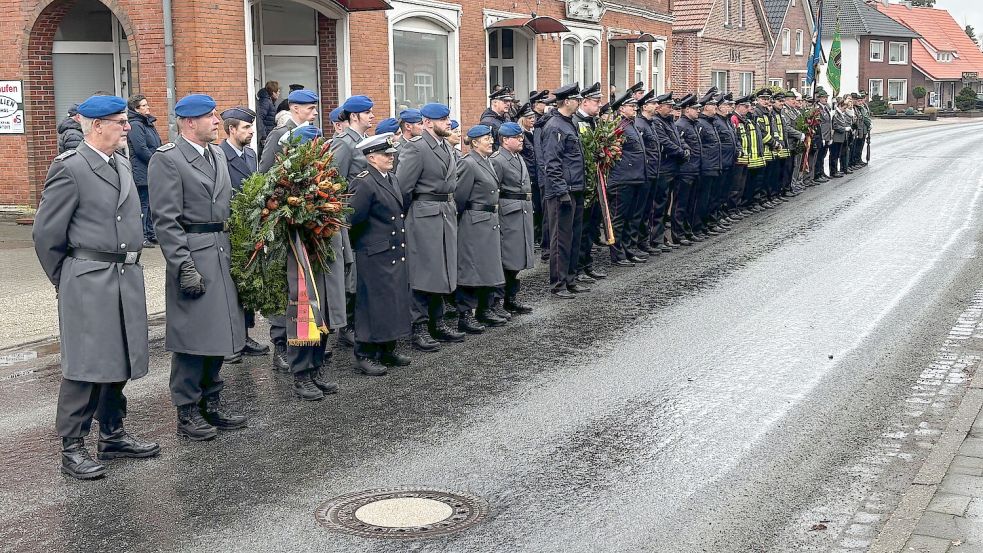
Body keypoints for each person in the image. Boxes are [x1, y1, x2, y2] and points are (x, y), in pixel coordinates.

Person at [34, 94, 159, 480]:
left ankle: (113, 433)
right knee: (85, 364)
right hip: (88, 279)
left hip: (124, 276)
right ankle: (72, 446)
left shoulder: (119, 162)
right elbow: (46, 234)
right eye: (121, 122)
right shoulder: (70, 167)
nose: (128, 127)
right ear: (97, 126)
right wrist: (68, 278)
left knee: (119, 358)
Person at [148, 94, 247, 440]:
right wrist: (183, 266)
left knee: (219, 331)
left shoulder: (216, 154)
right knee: (192, 338)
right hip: (194, 254)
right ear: (189, 122)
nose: (217, 122)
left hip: (221, 250)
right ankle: (187, 410)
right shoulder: (168, 159)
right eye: (210, 117)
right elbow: (166, 221)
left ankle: (211, 401)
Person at [395, 102, 466, 349]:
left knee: (442, 269)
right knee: (422, 271)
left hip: (445, 212)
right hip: (424, 214)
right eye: (443, 119)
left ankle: (438, 321)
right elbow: (403, 188)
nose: (448, 123)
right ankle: (420, 327)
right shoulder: (416, 148)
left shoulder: (445, 146)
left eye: (448, 118)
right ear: (427, 123)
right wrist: (409, 217)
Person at [258, 89, 320, 371]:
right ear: (295, 108)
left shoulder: (311, 134)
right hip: (284, 221)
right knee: (285, 284)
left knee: (305, 285)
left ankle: (306, 340)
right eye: (310, 108)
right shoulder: (280, 134)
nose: (314, 113)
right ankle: (281, 344)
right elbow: (265, 174)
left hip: (306, 222)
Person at [347, 133, 412, 375]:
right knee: (371, 304)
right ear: (371, 157)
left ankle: (387, 348)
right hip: (373, 253)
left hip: (392, 250)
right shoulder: (364, 182)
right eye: (386, 155)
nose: (391, 158)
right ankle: (365, 352)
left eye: (391, 154)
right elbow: (352, 219)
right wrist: (365, 245)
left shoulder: (390, 178)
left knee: (391, 301)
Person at [218, 107, 270, 364]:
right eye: (246, 128)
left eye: (251, 127)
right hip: (231, 229)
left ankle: (244, 335)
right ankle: (229, 339)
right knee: (230, 286)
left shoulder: (250, 154)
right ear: (231, 129)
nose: (251, 132)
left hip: (251, 228)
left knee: (247, 283)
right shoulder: (220, 156)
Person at [330, 95, 375, 350]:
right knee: (350, 271)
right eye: (367, 113)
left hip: (365, 215)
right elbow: (333, 182)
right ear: (354, 116)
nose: (372, 116)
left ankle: (357, 320)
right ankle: (346, 326)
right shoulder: (344, 143)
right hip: (349, 217)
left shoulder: (365, 140)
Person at [454, 125, 506, 331]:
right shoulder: (468, 163)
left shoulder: (486, 161)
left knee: (487, 268)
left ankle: (485, 308)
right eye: (486, 138)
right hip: (473, 222)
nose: (491, 141)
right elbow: (459, 197)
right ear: (475, 143)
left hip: (488, 221)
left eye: (490, 138)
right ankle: (466, 315)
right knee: (471, 269)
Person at [541, 83, 586, 299]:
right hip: (562, 192)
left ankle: (570, 279)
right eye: (577, 99)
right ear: (567, 101)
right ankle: (558, 284)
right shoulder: (555, 126)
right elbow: (552, 163)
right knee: (561, 239)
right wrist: (561, 191)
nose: (579, 103)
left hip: (575, 187)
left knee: (574, 237)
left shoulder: (569, 123)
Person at [490, 121, 535, 316]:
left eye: (521, 136)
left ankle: (511, 298)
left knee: (517, 258)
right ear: (505, 140)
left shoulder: (517, 156)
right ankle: (496, 302)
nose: (521, 140)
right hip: (507, 213)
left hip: (521, 211)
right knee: (506, 259)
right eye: (517, 137)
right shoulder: (498, 160)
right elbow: (493, 190)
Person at [607, 91, 648, 266]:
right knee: (618, 218)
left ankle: (628, 250)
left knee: (631, 218)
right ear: (622, 108)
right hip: (622, 179)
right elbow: (610, 152)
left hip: (635, 177)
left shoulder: (630, 125)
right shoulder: (619, 126)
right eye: (631, 106)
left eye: (635, 106)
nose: (635, 109)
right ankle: (617, 254)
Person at [572, 82, 606, 282]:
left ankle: (587, 264)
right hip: (583, 182)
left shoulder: (595, 122)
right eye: (596, 101)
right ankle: (578, 267)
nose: (599, 105)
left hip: (595, 182)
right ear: (584, 102)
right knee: (582, 228)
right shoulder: (576, 122)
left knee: (592, 226)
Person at [650, 92, 688, 250]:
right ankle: (656, 239)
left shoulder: (670, 121)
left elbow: (679, 138)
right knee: (659, 205)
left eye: (672, 106)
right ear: (659, 107)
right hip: (664, 168)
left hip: (673, 167)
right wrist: (680, 151)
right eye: (668, 106)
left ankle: (662, 237)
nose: (671, 109)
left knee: (666, 206)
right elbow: (664, 142)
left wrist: (685, 147)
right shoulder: (656, 122)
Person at [126, 94, 162, 248]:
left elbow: (155, 144)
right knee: (144, 204)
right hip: (142, 170)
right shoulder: (136, 125)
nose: (148, 107)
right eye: (144, 105)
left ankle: (151, 233)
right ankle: (143, 236)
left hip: (150, 169)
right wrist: (156, 161)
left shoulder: (146, 123)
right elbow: (141, 149)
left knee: (151, 203)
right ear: (136, 109)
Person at [633, 89, 662, 256]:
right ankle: (638, 243)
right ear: (644, 106)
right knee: (640, 211)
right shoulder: (639, 124)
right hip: (645, 173)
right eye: (653, 103)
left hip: (653, 172)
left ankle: (643, 241)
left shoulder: (651, 123)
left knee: (647, 210)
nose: (656, 105)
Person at [694, 91, 723, 239]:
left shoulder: (711, 122)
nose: (715, 107)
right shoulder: (700, 123)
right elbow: (700, 147)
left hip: (714, 165)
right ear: (705, 107)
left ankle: (708, 223)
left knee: (712, 197)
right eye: (712, 105)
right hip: (706, 167)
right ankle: (699, 226)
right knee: (703, 199)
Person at [674, 94, 702, 244]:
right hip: (685, 171)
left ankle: (687, 230)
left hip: (694, 169)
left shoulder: (693, 124)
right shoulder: (681, 125)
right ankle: (678, 234)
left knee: (691, 203)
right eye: (695, 109)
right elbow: (681, 146)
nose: (698, 111)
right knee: (681, 204)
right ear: (687, 110)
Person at [731, 95, 766, 215]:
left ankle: (740, 207)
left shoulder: (746, 119)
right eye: (746, 106)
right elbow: (736, 139)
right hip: (739, 158)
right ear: (738, 106)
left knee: (743, 185)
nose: (749, 109)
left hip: (746, 157)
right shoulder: (734, 119)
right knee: (736, 186)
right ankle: (734, 209)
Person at [813, 88, 833, 183]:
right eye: (823, 97)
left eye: (826, 97)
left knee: (823, 155)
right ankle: (817, 174)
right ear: (819, 98)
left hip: (827, 135)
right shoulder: (818, 109)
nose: (825, 99)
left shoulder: (826, 108)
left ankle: (821, 172)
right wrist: (822, 137)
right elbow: (819, 124)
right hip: (822, 136)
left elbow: (829, 122)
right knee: (819, 156)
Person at [830, 97, 852, 178]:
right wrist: (844, 129)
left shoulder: (840, 114)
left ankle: (836, 170)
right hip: (836, 138)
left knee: (837, 155)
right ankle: (833, 171)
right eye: (844, 108)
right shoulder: (836, 114)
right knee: (834, 155)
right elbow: (835, 126)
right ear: (839, 106)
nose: (845, 110)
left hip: (840, 138)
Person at [256, 80, 279, 147]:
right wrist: (264, 136)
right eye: (278, 91)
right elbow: (259, 118)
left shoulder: (269, 101)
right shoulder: (265, 102)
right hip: (266, 137)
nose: (279, 93)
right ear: (273, 92)